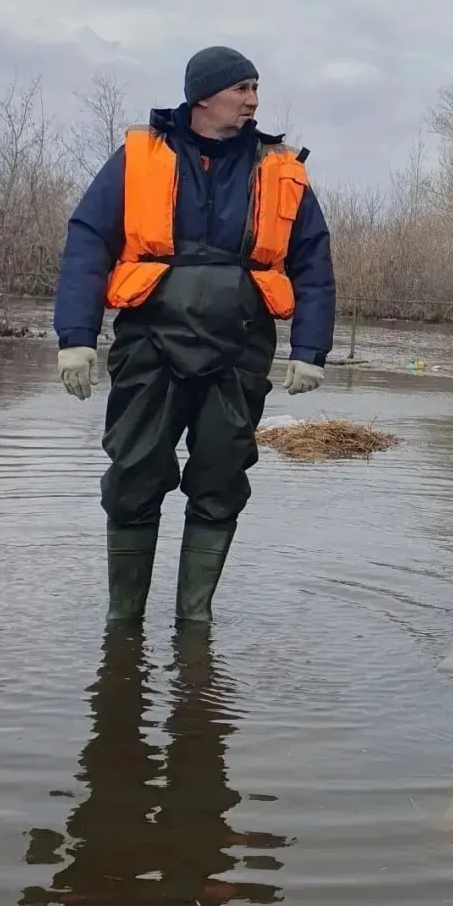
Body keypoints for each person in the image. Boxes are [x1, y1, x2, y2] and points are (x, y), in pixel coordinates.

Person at [53, 47, 335, 625]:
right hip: (149, 343)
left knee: (221, 477)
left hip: (239, 348)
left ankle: (194, 622)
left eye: (255, 88)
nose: (253, 100)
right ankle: (123, 624)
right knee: (133, 473)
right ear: (203, 96)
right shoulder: (140, 157)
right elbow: (88, 239)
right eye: (241, 88)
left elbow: (313, 261)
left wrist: (311, 350)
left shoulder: (279, 167)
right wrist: (76, 336)